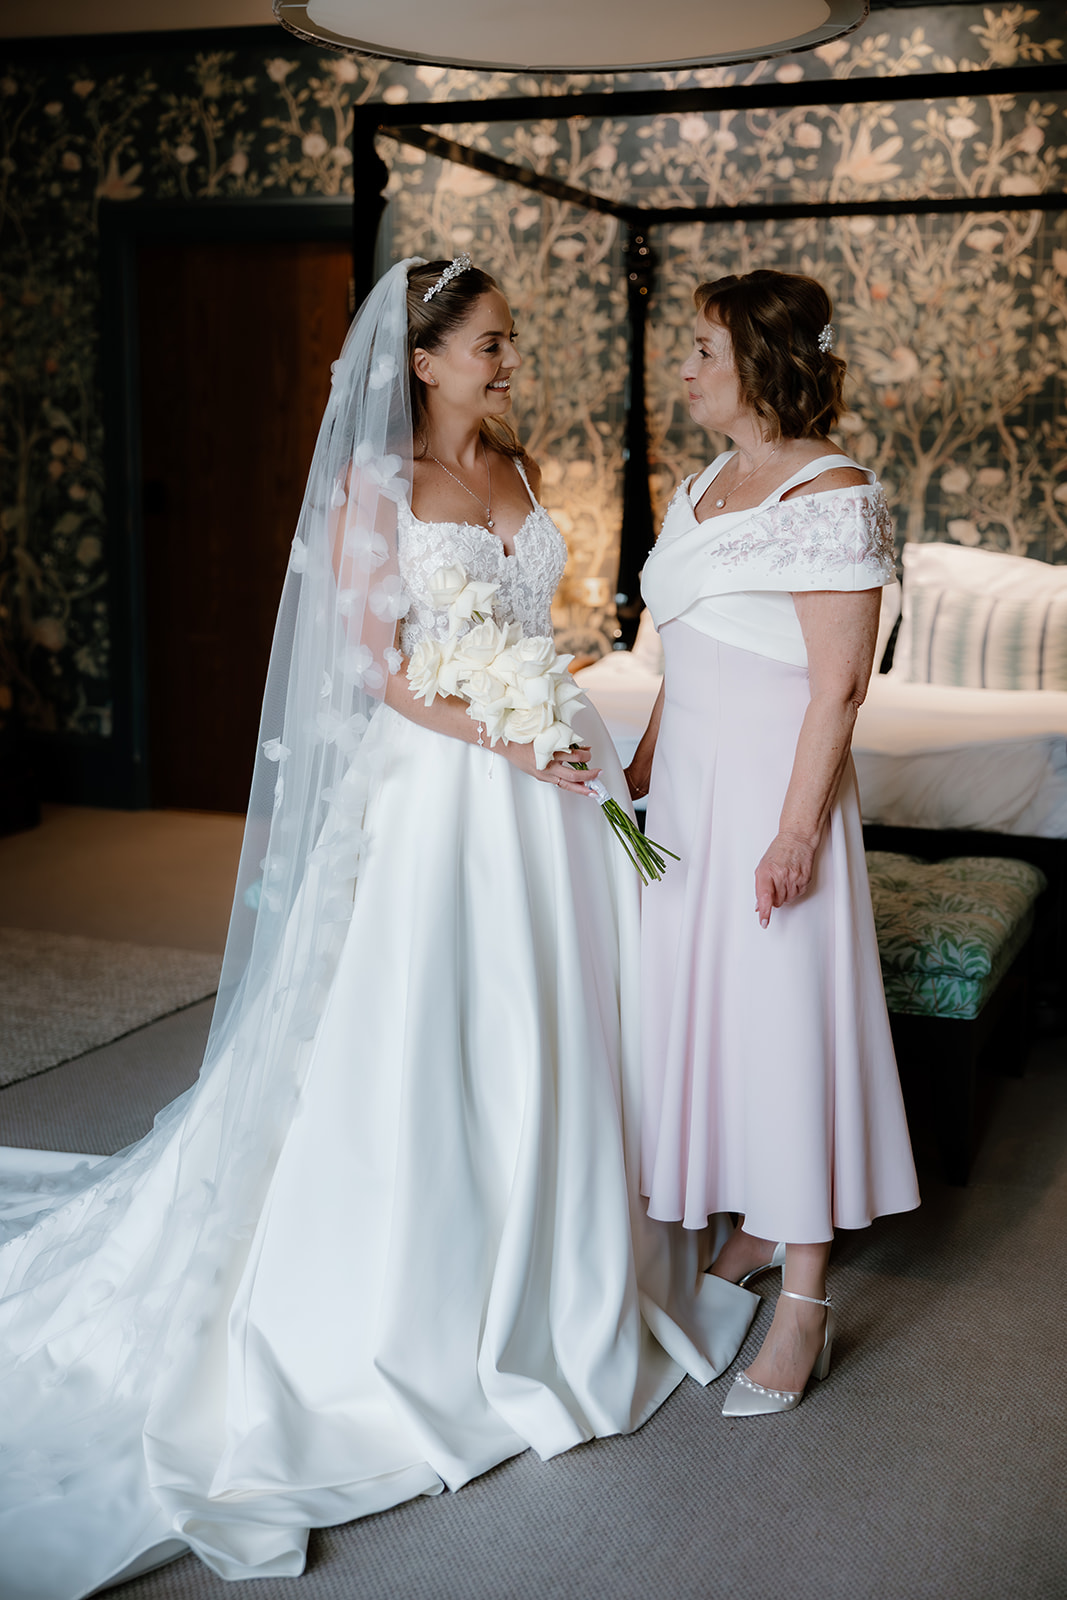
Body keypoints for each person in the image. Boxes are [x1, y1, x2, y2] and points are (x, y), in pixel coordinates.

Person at [0, 257, 757, 1600]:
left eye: (509, 342)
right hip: (452, 792)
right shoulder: (375, 488)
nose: (508, 361)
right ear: (421, 360)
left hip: (555, 778)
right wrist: (504, 735)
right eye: (487, 344)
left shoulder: (520, 472)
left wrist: (563, 722)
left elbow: (542, 622)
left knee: (572, 1017)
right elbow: (378, 669)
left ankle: (572, 1253)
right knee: (443, 1033)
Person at [627, 268, 920, 1419]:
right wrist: (639, 776)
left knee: (785, 1017)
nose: (686, 369)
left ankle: (804, 1295)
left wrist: (793, 832)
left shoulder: (830, 485)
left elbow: (838, 685)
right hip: (692, 795)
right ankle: (748, 1220)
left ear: (757, 359)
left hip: (771, 793)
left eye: (701, 349)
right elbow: (679, 648)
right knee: (704, 1008)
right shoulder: (702, 481)